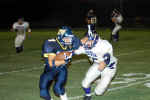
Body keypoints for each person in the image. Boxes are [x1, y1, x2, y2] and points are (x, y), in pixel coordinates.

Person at [40, 26, 80, 100]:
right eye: (67, 38)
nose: (69, 40)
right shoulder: (51, 44)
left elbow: (84, 44)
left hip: (61, 68)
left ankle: (64, 98)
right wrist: (65, 60)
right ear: (60, 37)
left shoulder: (74, 42)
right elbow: (50, 64)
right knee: (43, 92)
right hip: (50, 69)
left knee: (58, 89)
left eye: (70, 38)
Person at [74, 31, 117, 100]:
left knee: (98, 92)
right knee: (84, 83)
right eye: (86, 40)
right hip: (97, 64)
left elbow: (107, 56)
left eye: (89, 40)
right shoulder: (85, 46)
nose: (87, 43)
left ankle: (104, 81)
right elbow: (73, 51)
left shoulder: (103, 44)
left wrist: (104, 62)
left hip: (109, 67)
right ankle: (88, 95)